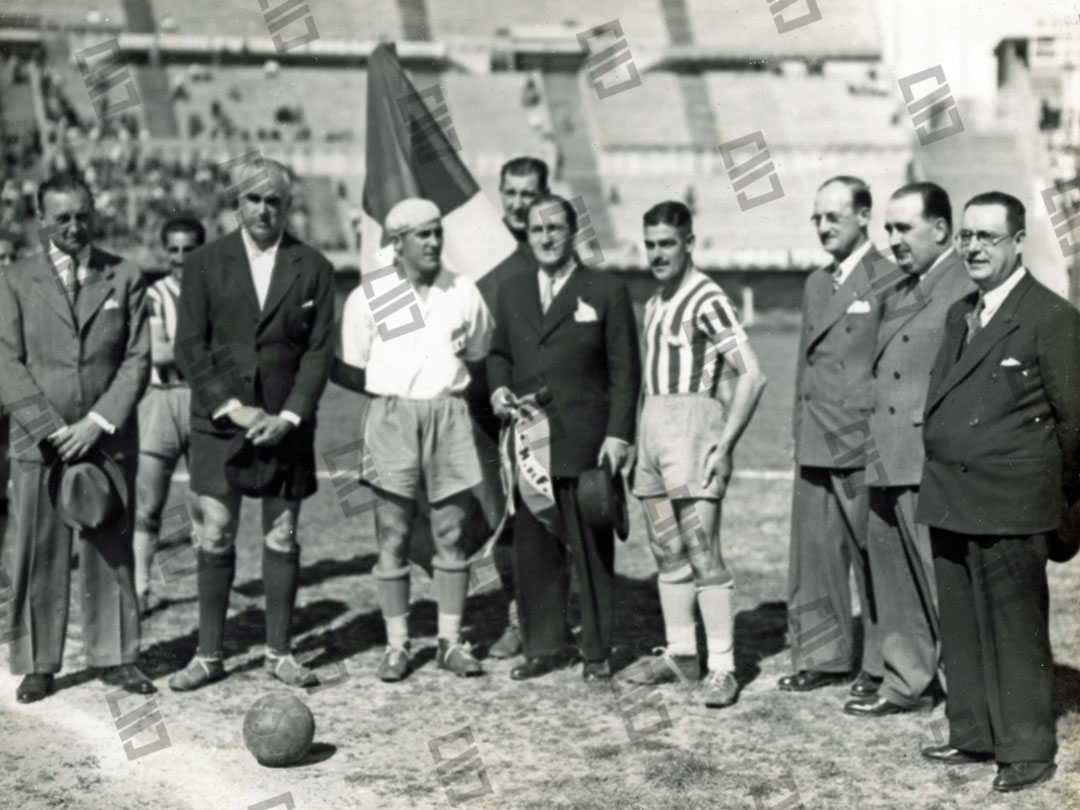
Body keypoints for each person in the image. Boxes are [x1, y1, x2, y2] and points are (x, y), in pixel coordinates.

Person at [917, 192, 1080, 792]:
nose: (973, 247)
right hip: (951, 498)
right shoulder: (962, 308)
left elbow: (1076, 425)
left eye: (988, 237)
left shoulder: (1051, 317)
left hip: (1012, 505)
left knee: (1015, 631)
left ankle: (1028, 750)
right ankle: (975, 734)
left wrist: (1054, 504)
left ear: (1018, 242)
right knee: (961, 625)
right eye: (966, 236)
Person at [169, 158, 335, 691]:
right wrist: (233, 408)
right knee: (215, 533)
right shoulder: (203, 262)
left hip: (286, 426)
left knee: (282, 536)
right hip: (222, 422)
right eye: (254, 199)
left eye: (275, 201)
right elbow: (190, 345)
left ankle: (279, 652)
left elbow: (318, 350)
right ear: (236, 203)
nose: (264, 209)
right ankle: (210, 654)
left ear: (288, 205)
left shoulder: (313, 265)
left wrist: (288, 415)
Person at [0, 173, 152, 702]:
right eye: (61, 217)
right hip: (39, 443)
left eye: (82, 214)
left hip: (105, 440)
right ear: (42, 221)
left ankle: (116, 655)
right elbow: (5, 361)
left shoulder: (125, 275)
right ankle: (39, 662)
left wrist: (98, 422)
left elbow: (137, 359)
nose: (74, 226)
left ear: (95, 213)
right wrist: (50, 428)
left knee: (110, 547)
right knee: (38, 551)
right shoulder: (15, 279)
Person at [336, 198, 494, 681]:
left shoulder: (461, 289)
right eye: (421, 235)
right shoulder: (374, 294)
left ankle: (449, 641)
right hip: (392, 415)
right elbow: (355, 361)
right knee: (394, 535)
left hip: (447, 414)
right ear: (397, 243)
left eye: (436, 232)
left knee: (450, 532)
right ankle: (397, 645)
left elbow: (481, 344)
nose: (432, 242)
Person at [487, 193, 641, 681]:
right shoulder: (511, 291)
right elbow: (498, 355)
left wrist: (618, 435)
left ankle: (596, 653)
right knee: (533, 551)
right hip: (531, 441)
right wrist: (498, 389)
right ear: (526, 235)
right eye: (537, 230)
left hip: (586, 444)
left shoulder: (605, 290)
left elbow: (625, 372)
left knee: (592, 551)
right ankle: (544, 646)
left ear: (573, 232)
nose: (546, 238)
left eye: (555, 228)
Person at [624, 202, 766, 707]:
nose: (658, 253)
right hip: (654, 430)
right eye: (651, 244)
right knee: (665, 547)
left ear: (688, 243)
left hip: (692, 431)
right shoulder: (655, 303)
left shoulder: (706, 297)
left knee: (702, 549)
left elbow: (751, 373)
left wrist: (724, 445)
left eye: (667, 243)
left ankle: (723, 666)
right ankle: (681, 653)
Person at [844, 182, 975, 717]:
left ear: (941, 230)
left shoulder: (965, 283)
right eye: (888, 228)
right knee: (893, 575)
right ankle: (905, 681)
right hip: (885, 452)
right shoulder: (899, 285)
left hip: (928, 456)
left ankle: (965, 692)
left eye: (903, 228)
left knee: (941, 578)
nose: (891, 239)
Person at [780, 176, 884, 696]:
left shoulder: (889, 278)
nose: (822, 227)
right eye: (817, 218)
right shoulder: (817, 284)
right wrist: (797, 432)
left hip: (860, 438)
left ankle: (882, 665)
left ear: (864, 216)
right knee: (815, 552)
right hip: (817, 436)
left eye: (833, 218)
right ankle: (823, 656)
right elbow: (804, 364)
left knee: (873, 554)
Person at [479, 156, 550, 661]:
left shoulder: (554, 248)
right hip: (484, 401)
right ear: (500, 193)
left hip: (540, 407)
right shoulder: (480, 250)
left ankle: (546, 615)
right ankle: (513, 615)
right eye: (512, 192)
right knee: (499, 513)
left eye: (530, 193)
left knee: (543, 511)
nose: (520, 203)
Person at [132, 215, 206, 616]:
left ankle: (209, 588)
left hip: (203, 400)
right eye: (174, 250)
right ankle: (141, 588)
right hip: (161, 401)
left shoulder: (217, 291)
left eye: (189, 249)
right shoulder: (154, 294)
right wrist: (204, 349)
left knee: (205, 503)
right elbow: (155, 353)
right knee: (149, 504)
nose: (181, 258)